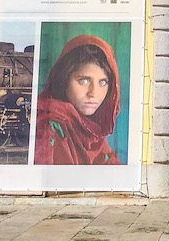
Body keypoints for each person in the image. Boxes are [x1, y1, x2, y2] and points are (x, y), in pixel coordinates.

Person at [34, 35, 121, 165]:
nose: (93, 93)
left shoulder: (94, 133)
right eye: (84, 81)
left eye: (103, 82)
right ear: (64, 80)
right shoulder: (49, 127)